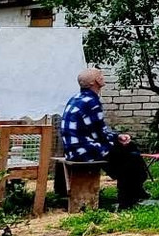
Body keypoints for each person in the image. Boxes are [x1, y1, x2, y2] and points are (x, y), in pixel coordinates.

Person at [61, 67, 148, 207]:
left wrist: (117, 137)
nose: (102, 76)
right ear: (94, 82)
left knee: (128, 150)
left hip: (73, 149)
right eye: (99, 75)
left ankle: (135, 190)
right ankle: (128, 199)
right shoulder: (91, 102)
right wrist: (117, 139)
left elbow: (95, 131)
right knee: (131, 157)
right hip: (84, 151)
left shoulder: (76, 98)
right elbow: (100, 134)